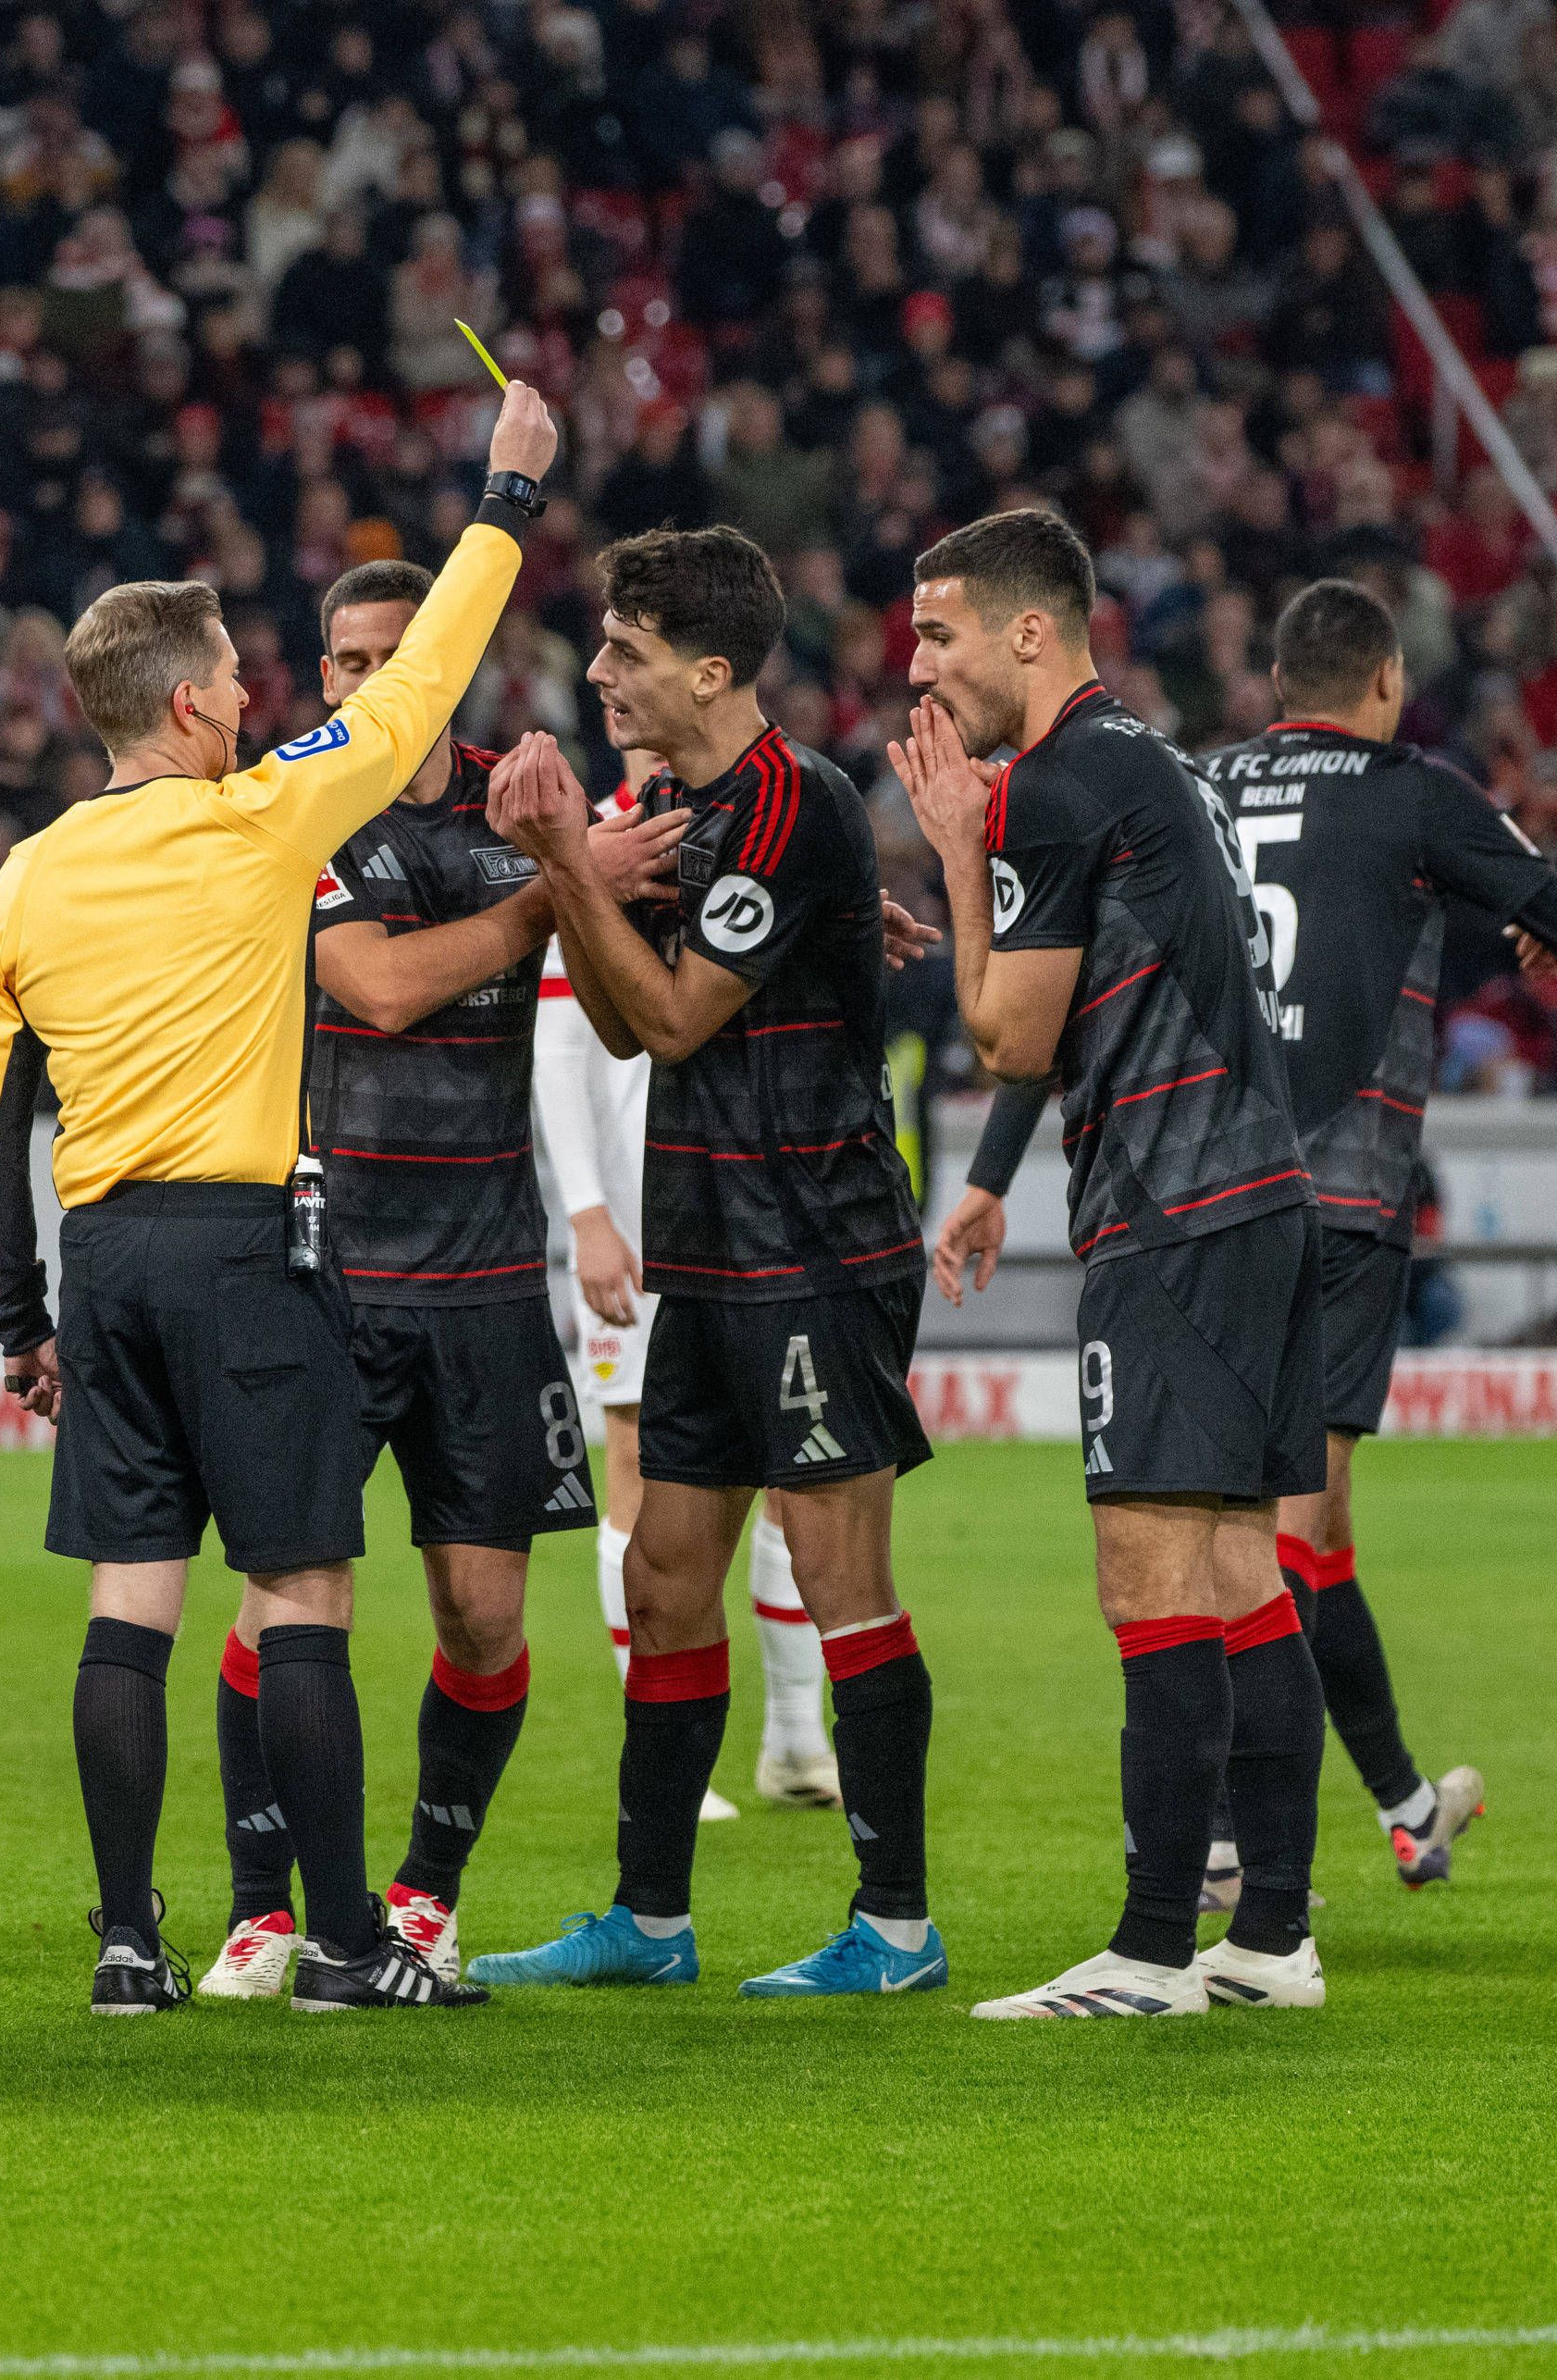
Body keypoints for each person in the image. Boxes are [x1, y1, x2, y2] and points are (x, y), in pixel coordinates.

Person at [0, 382, 562, 2016]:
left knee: (130, 1604)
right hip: (246, 1248)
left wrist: (17, 1311)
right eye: (230, 678)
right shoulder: (261, 820)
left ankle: (125, 1942)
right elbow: (417, 690)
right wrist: (506, 497)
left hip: (104, 1258)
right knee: (301, 1593)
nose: (250, 698)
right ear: (187, 703)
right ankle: (347, 1946)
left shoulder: (28, 873)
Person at [945, 579, 1557, 1897]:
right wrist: (1534, 926)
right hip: (1342, 1200)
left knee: (1275, 1530)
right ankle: (1251, 1855)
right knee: (1279, 1541)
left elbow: (1073, 982)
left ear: (1272, 684)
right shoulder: (1414, 789)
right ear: (1386, 682)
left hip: (1196, 1175)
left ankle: (1395, 1808)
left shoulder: (1195, 781)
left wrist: (986, 1175)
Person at [190, 560, 680, 2002]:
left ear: (449, 661)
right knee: (285, 1603)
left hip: (486, 1284)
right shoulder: (298, 805)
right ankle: (261, 1912)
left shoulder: (522, 807)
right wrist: (562, 886)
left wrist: (577, 873)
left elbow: (635, 974)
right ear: (322, 678)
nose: (367, 682)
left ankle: (422, 1900)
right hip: (326, 1274)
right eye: (346, 662)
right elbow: (383, 988)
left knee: (485, 1616)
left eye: (395, 655)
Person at [475, 525, 948, 2001]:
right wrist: (585, 882)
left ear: (711, 669)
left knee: (840, 1572)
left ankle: (897, 1928)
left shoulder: (793, 801)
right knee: (668, 1574)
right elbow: (629, 1028)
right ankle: (651, 1920)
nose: (599, 675)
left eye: (626, 651)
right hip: (712, 1247)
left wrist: (564, 864)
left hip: (815, 1247)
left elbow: (676, 1016)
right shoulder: (686, 813)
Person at [898, 508, 1331, 2021]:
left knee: (1147, 1573)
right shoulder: (1156, 765)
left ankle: (1151, 1953)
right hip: (1258, 1196)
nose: (918, 668)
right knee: (1237, 1570)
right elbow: (1100, 995)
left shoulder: (1055, 786)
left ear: (1030, 631)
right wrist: (993, 1179)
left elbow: (1010, 1030)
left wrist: (961, 855)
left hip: (1173, 1208)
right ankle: (1269, 1939)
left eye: (939, 635)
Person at [535, 741, 837, 1824]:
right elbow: (560, 1046)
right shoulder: (598, 842)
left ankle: (796, 1741)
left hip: (750, 1213)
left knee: (791, 1465)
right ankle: (661, 1747)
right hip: (638, 1219)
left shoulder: (760, 823)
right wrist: (587, 1215)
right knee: (635, 1460)